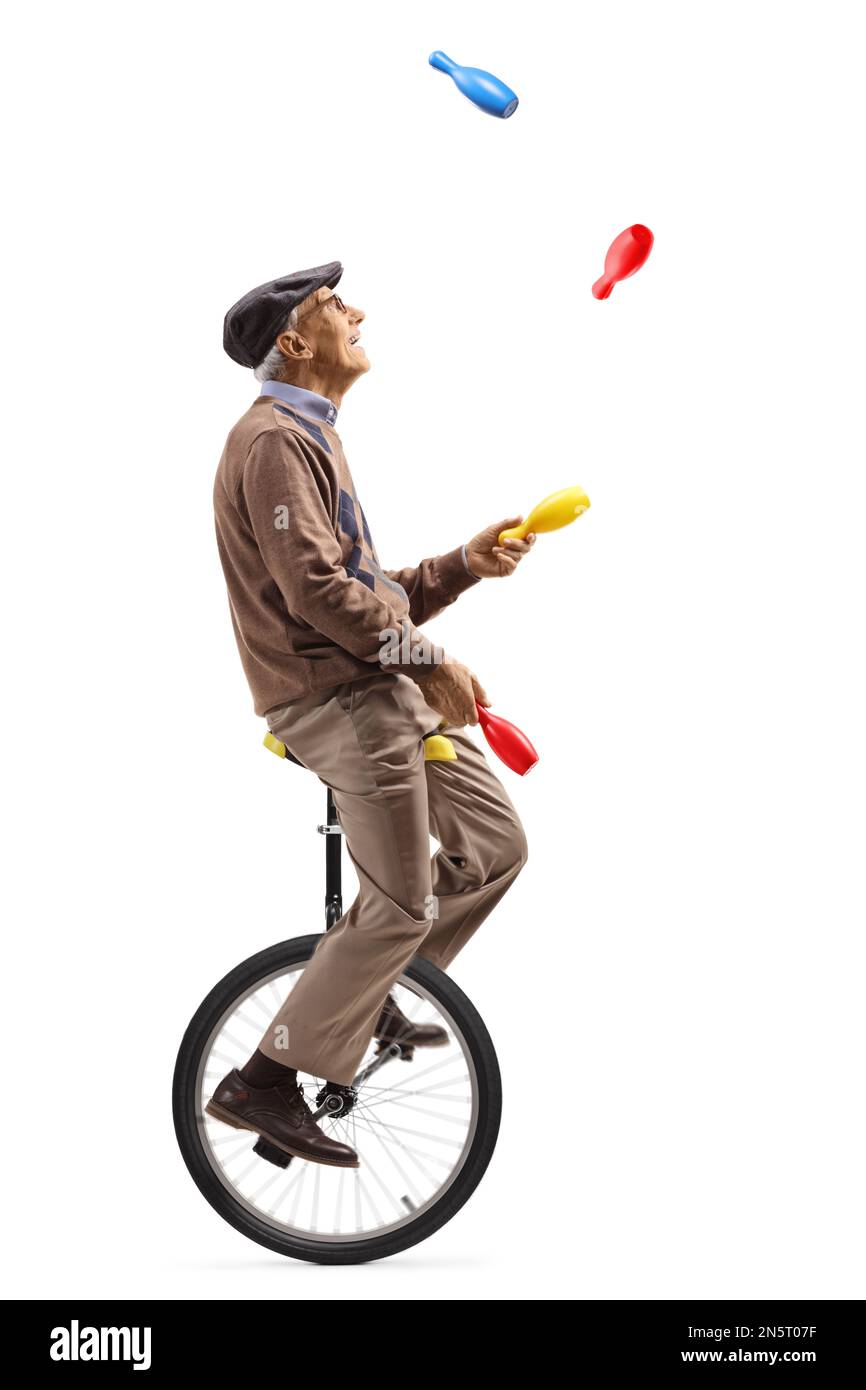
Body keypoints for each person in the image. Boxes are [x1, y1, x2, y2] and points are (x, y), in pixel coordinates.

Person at [207, 261, 534, 1168]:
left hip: (376, 687)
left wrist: (462, 565)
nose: (357, 313)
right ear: (294, 341)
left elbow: (366, 591)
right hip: (335, 700)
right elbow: (316, 596)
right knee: (399, 904)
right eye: (334, 306)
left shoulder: (314, 436)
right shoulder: (271, 439)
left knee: (496, 846)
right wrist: (429, 663)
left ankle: (369, 986)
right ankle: (263, 1083)